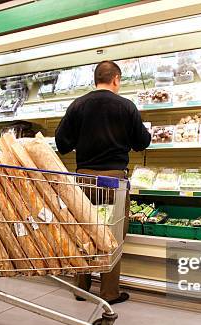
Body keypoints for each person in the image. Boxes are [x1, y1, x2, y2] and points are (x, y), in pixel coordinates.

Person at [55, 60, 152, 305]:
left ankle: (81, 288)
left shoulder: (78, 105)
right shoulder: (126, 106)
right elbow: (142, 142)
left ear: (95, 79)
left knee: (84, 230)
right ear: (116, 79)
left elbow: (62, 143)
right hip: (114, 180)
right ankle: (109, 292)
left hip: (84, 178)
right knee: (113, 234)